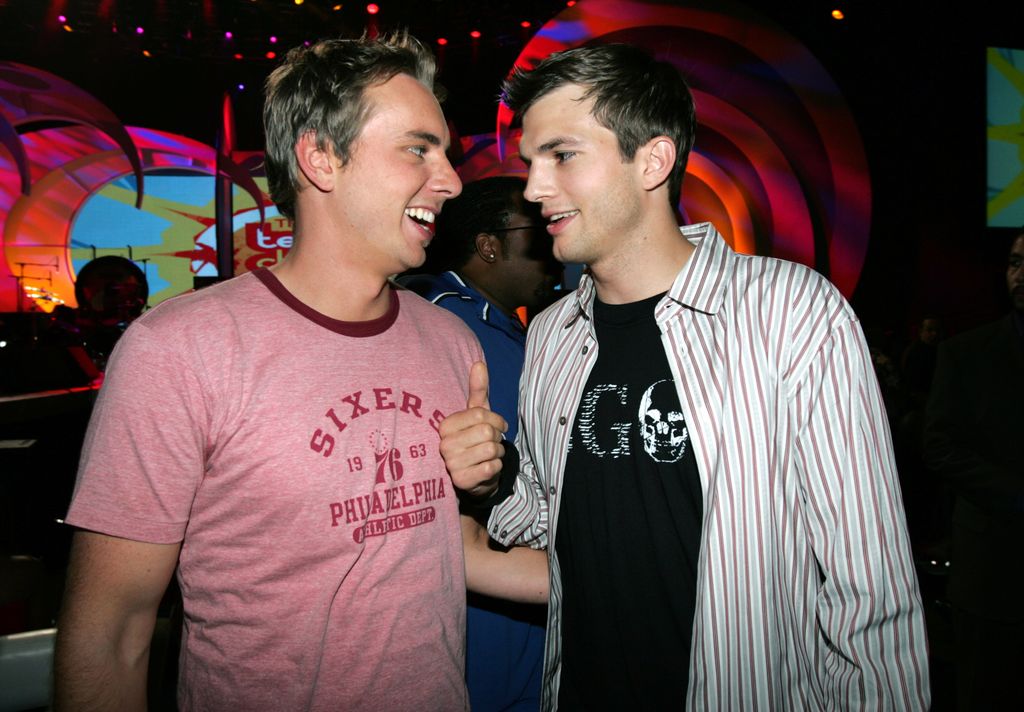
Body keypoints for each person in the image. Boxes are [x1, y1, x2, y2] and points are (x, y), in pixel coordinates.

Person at [439, 43, 930, 710]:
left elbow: (868, 588)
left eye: (563, 155)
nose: (534, 187)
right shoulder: (554, 334)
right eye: (531, 162)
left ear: (654, 160)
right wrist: (493, 480)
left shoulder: (791, 313)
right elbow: (554, 527)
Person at [55, 32, 483, 710]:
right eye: (417, 149)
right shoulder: (179, 351)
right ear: (320, 158)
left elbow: (445, 550)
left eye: (448, 155)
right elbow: (111, 634)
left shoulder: (452, 341)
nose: (453, 180)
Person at [401, 175, 561, 711]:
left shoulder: (512, 326)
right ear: (489, 246)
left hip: (522, 587)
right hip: (482, 600)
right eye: (534, 234)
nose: (552, 251)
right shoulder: (445, 323)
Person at [924, 230, 1024, 711]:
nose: (1020, 275)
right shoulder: (966, 353)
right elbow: (939, 447)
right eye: (1015, 262)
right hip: (992, 573)